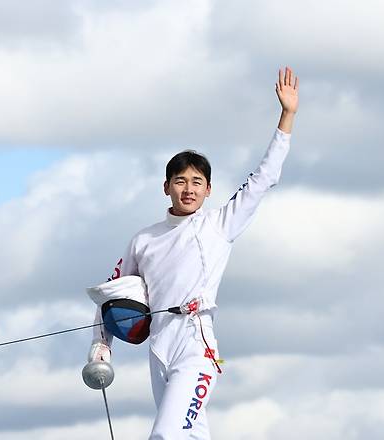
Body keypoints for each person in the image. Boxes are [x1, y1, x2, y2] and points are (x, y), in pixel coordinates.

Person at [87, 67, 299, 439]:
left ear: (208, 189)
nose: (188, 189)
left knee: (166, 435)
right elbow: (112, 295)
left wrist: (287, 116)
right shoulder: (143, 240)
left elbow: (263, 179)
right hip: (159, 350)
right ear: (166, 187)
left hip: (195, 347)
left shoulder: (218, 225)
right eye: (180, 181)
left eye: (197, 182)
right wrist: (100, 347)